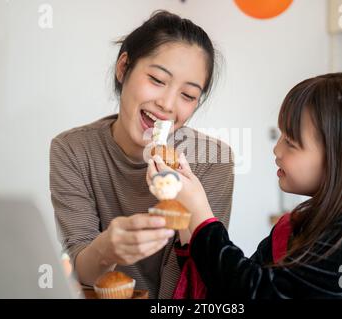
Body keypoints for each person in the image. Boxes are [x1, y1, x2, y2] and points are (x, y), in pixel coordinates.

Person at [148, 71, 342, 298]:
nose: (277, 150)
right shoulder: (299, 224)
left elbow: (255, 293)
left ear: (341, 156)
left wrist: (200, 214)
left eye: (291, 142)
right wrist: (187, 221)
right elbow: (225, 289)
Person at [49, 10, 234, 299]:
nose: (167, 104)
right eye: (158, 80)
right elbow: (79, 270)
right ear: (123, 68)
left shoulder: (212, 160)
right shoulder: (73, 150)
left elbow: (201, 278)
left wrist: (187, 210)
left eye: (188, 96)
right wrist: (105, 248)